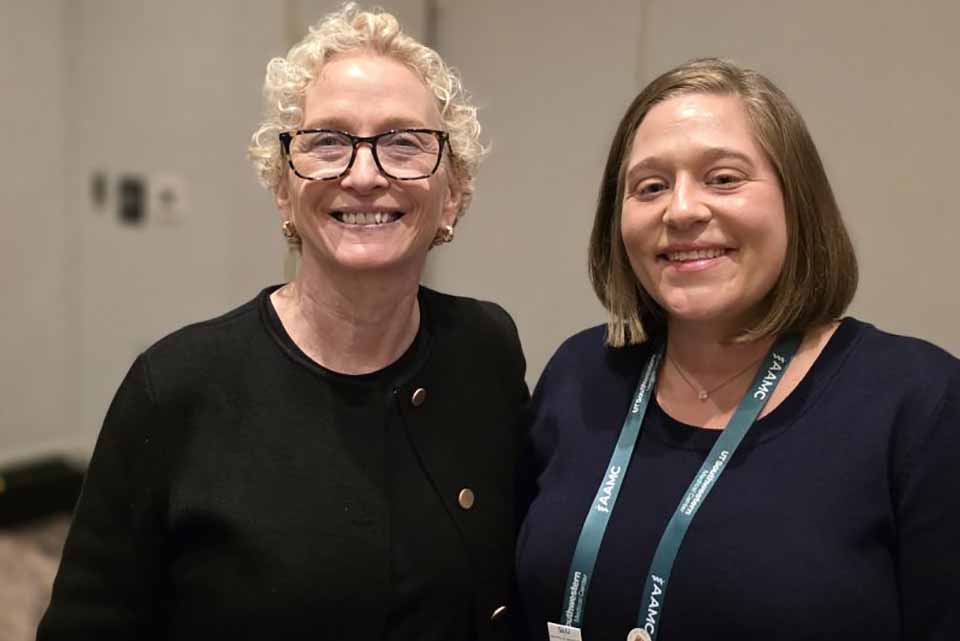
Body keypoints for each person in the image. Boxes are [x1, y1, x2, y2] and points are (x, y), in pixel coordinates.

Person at [38, 6, 527, 641]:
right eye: (328, 142)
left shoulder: (484, 350)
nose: (364, 173)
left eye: (405, 143)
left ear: (452, 192)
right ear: (281, 185)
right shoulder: (177, 389)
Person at [515, 58, 960, 641]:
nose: (681, 210)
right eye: (650, 187)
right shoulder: (580, 376)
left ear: (795, 201)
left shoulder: (919, 402)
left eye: (723, 178)